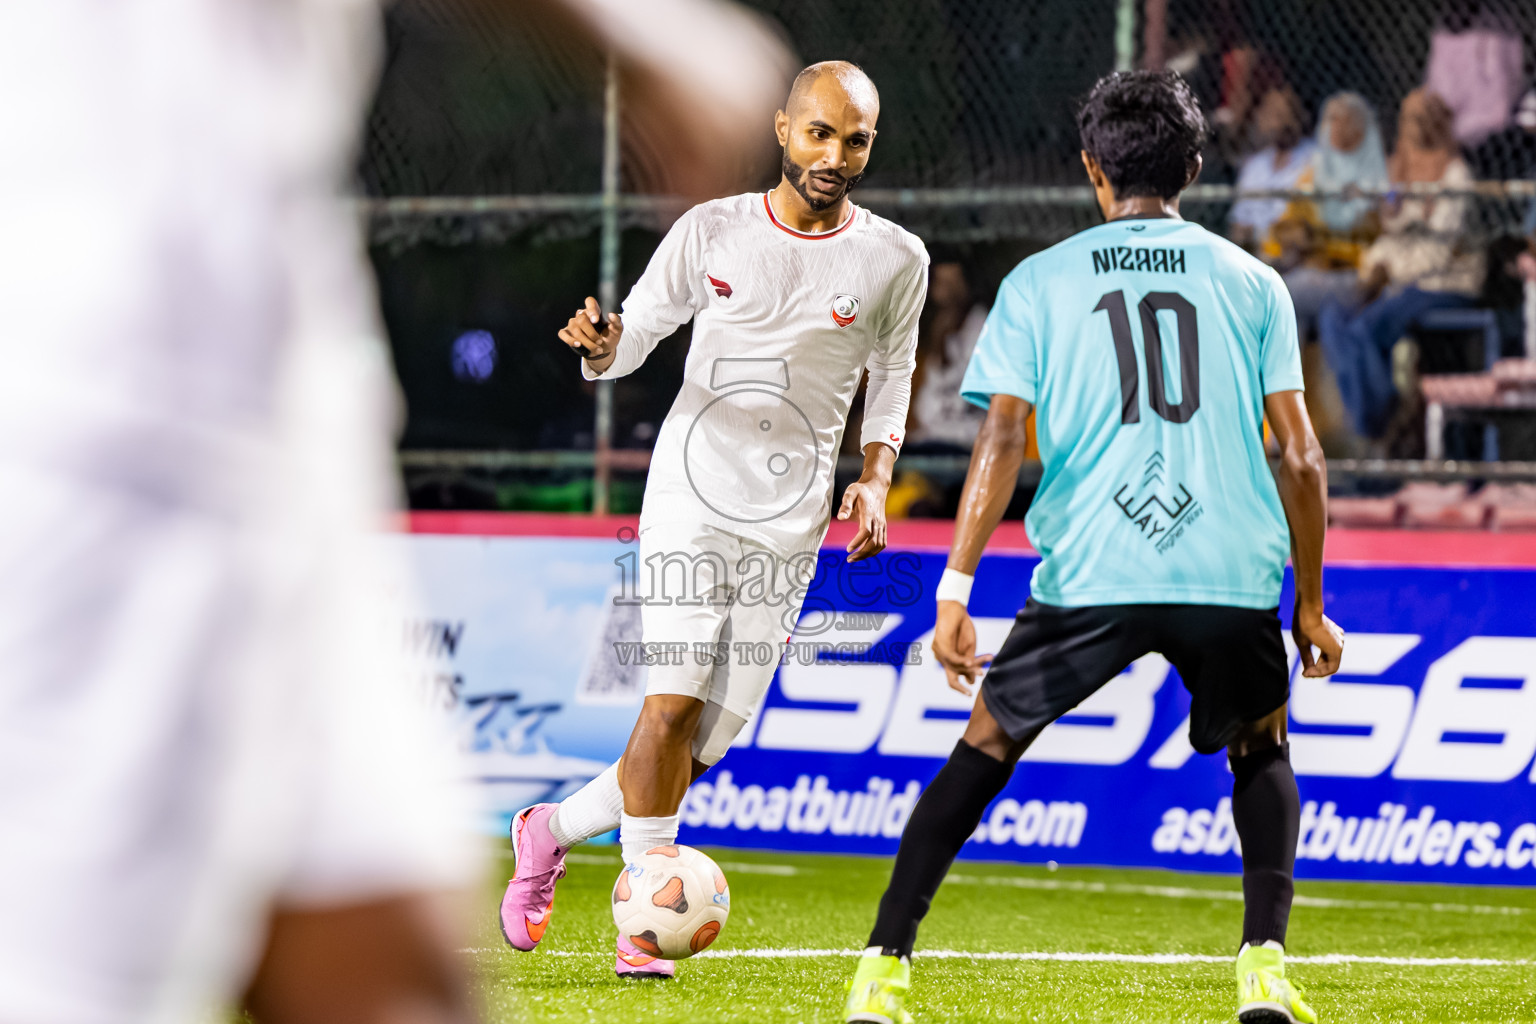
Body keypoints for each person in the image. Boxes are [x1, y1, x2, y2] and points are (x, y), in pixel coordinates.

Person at [0, 2, 792, 1022]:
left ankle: (548, 834)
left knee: (392, 973)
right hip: (102, 354)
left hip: (270, 372)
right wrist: (640, 32)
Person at [842, 70, 1344, 1024]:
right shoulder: (1254, 283)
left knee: (985, 742)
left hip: (1091, 569)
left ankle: (882, 970)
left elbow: (997, 441)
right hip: (1228, 572)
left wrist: (955, 588)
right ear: (1194, 167)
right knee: (1263, 744)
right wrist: (1309, 604)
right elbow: (1302, 455)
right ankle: (1264, 972)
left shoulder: (1038, 282)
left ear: (1090, 170)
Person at [503, 60, 929, 979]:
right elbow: (635, 335)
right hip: (692, 496)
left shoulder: (897, 258)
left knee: (704, 744)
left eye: (855, 139)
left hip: (793, 521)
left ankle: (547, 829)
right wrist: (605, 348)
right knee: (670, 703)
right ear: (783, 130)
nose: (835, 155)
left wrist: (876, 476)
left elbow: (891, 376)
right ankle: (641, 923)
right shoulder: (712, 231)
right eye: (819, 133)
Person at [1316, 88, 1485, 440]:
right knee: (1334, 317)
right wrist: (1375, 267)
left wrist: (1390, 271)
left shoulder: (1455, 175)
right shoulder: (1400, 170)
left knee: (1366, 328)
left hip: (1444, 283)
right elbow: (1392, 232)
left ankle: (1381, 429)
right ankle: (1376, 422)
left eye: (1425, 119)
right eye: (1410, 119)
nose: (1416, 127)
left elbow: (1437, 252)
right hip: (1400, 281)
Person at [1272, 93, 1389, 343]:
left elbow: (1377, 234)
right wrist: (1294, 236)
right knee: (1292, 317)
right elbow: (1286, 226)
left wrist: (1322, 241)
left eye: (1345, 120)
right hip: (1313, 271)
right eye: (1331, 120)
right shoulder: (1313, 174)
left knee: (1278, 299)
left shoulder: (1378, 175)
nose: (1336, 127)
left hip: (1357, 275)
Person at [1229, 86, 1315, 251]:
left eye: (1283, 115)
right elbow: (1239, 222)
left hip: (1294, 250)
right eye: (1271, 115)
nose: (1278, 123)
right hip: (1255, 248)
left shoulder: (1313, 158)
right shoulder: (1255, 165)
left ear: (1298, 117)